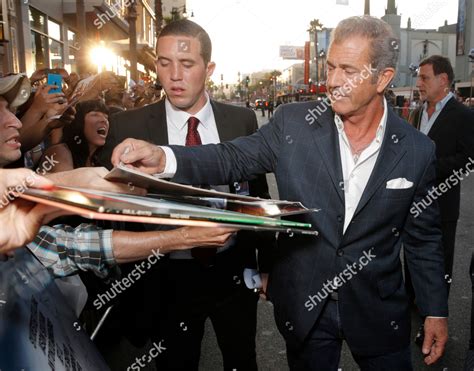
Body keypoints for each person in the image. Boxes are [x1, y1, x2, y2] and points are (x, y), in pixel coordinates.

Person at [111, 16, 449, 370]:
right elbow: (232, 157)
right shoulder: (293, 124)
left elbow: (423, 241)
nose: (333, 81)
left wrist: (435, 311)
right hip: (307, 310)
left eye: (349, 71)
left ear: (383, 78)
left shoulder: (416, 150)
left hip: (378, 312)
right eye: (331, 66)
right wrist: (164, 156)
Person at [98, 19, 273, 371]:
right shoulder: (128, 127)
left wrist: (266, 266)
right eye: (164, 63)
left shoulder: (241, 121)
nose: (174, 75)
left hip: (232, 271)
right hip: (165, 276)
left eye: (187, 64)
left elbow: (257, 196)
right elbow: (108, 204)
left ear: (209, 68)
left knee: (241, 359)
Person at [409, 55, 474, 295]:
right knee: (413, 258)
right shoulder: (416, 113)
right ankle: (413, 310)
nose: (418, 84)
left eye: (424, 78)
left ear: (443, 79)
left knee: (439, 262)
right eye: (418, 78)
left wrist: (427, 167)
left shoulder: (463, 115)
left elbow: (468, 159)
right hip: (411, 203)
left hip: (442, 205)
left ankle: (436, 316)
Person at [42, 100, 110, 172]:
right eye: (95, 114)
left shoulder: (95, 161)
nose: (104, 120)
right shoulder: (60, 152)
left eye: (106, 117)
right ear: (78, 121)